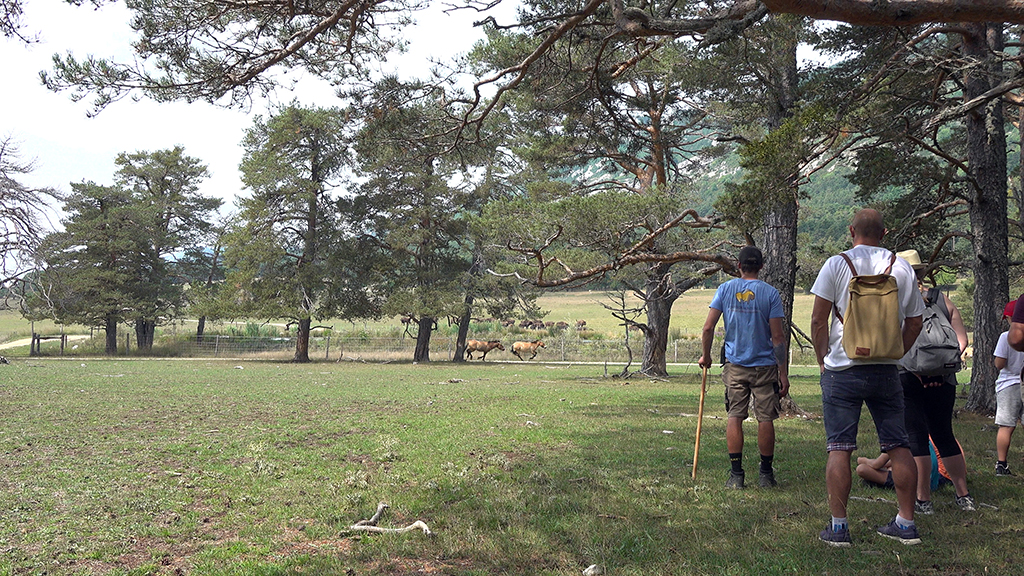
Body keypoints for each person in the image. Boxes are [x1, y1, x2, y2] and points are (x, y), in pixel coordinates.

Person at [810, 209, 924, 547]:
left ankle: (839, 528)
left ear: (851, 231)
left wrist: (823, 360)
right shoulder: (901, 267)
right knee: (898, 445)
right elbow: (915, 322)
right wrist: (895, 352)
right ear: (884, 233)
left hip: (842, 369)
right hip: (886, 370)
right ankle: (906, 523)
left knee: (839, 448)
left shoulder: (836, 264)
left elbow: (818, 320)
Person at [699, 245, 790, 490]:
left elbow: (708, 328)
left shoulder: (725, 289)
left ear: (739, 266)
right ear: (761, 266)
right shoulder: (771, 294)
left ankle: (736, 475)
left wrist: (705, 356)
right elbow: (778, 338)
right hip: (764, 367)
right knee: (765, 418)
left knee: (735, 416)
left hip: (735, 366)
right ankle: (765, 474)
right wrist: (783, 373)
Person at [894, 250, 974, 514]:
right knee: (944, 434)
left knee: (916, 437)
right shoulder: (942, 300)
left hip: (908, 376)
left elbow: (893, 344)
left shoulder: (897, 301)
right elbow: (961, 341)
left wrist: (919, 369)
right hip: (945, 378)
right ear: (922, 272)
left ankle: (923, 499)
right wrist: (940, 368)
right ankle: (963, 496)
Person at [994, 300, 1024, 476]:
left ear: (1008, 317)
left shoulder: (1006, 337)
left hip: (1008, 383)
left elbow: (999, 363)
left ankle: (1001, 463)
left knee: (1006, 425)